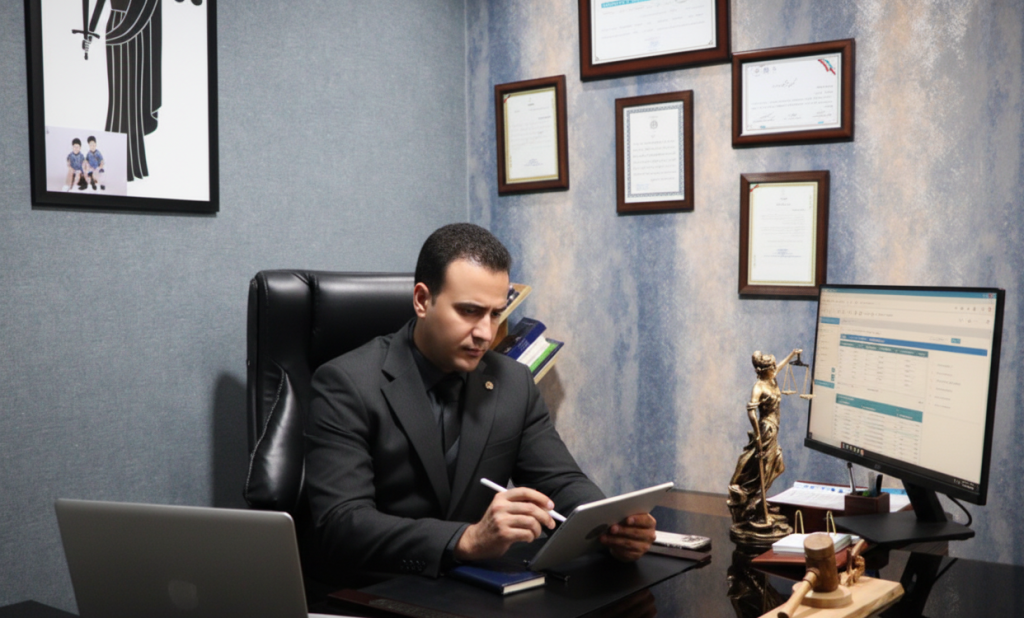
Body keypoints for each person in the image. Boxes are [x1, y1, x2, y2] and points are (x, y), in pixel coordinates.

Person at [304, 223, 656, 579]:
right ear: (422, 300)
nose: (485, 334)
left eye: (495, 313)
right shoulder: (346, 383)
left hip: (478, 586)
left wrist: (608, 527)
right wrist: (465, 539)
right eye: (469, 311)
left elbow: (561, 482)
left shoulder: (513, 382)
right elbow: (341, 523)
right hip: (380, 589)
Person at [726, 349, 800, 542]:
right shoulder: (759, 387)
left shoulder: (772, 378)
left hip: (774, 428)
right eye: (771, 367)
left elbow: (781, 366)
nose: (775, 368)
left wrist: (792, 355)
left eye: (774, 366)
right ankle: (752, 503)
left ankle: (759, 502)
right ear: (763, 370)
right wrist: (757, 434)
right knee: (764, 466)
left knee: (777, 465)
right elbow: (751, 410)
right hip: (766, 429)